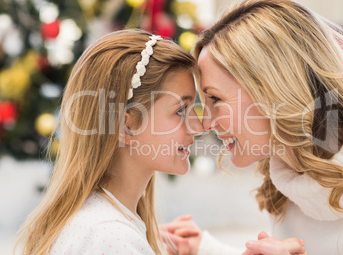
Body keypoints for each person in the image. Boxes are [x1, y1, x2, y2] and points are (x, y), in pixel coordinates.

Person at [162, 0, 343, 255]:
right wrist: (205, 248)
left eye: (215, 99)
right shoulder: (291, 175)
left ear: (274, 91)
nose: (205, 123)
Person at [14, 29, 204, 255]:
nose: (198, 126)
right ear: (127, 126)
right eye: (181, 110)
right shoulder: (111, 238)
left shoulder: (105, 228)